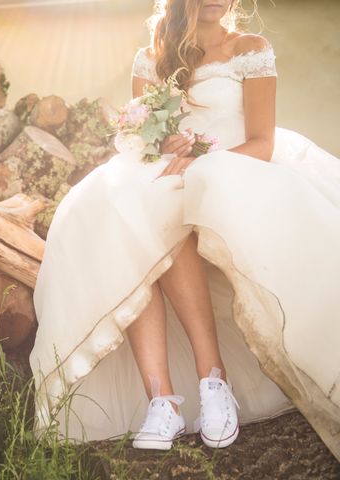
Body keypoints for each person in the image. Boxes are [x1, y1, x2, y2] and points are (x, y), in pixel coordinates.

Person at [29, 0, 340, 452]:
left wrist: (201, 155)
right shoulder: (152, 59)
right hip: (172, 177)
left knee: (168, 200)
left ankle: (213, 380)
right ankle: (163, 401)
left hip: (236, 169)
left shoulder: (251, 49)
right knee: (125, 205)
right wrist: (165, 144)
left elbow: (262, 142)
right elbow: (145, 146)